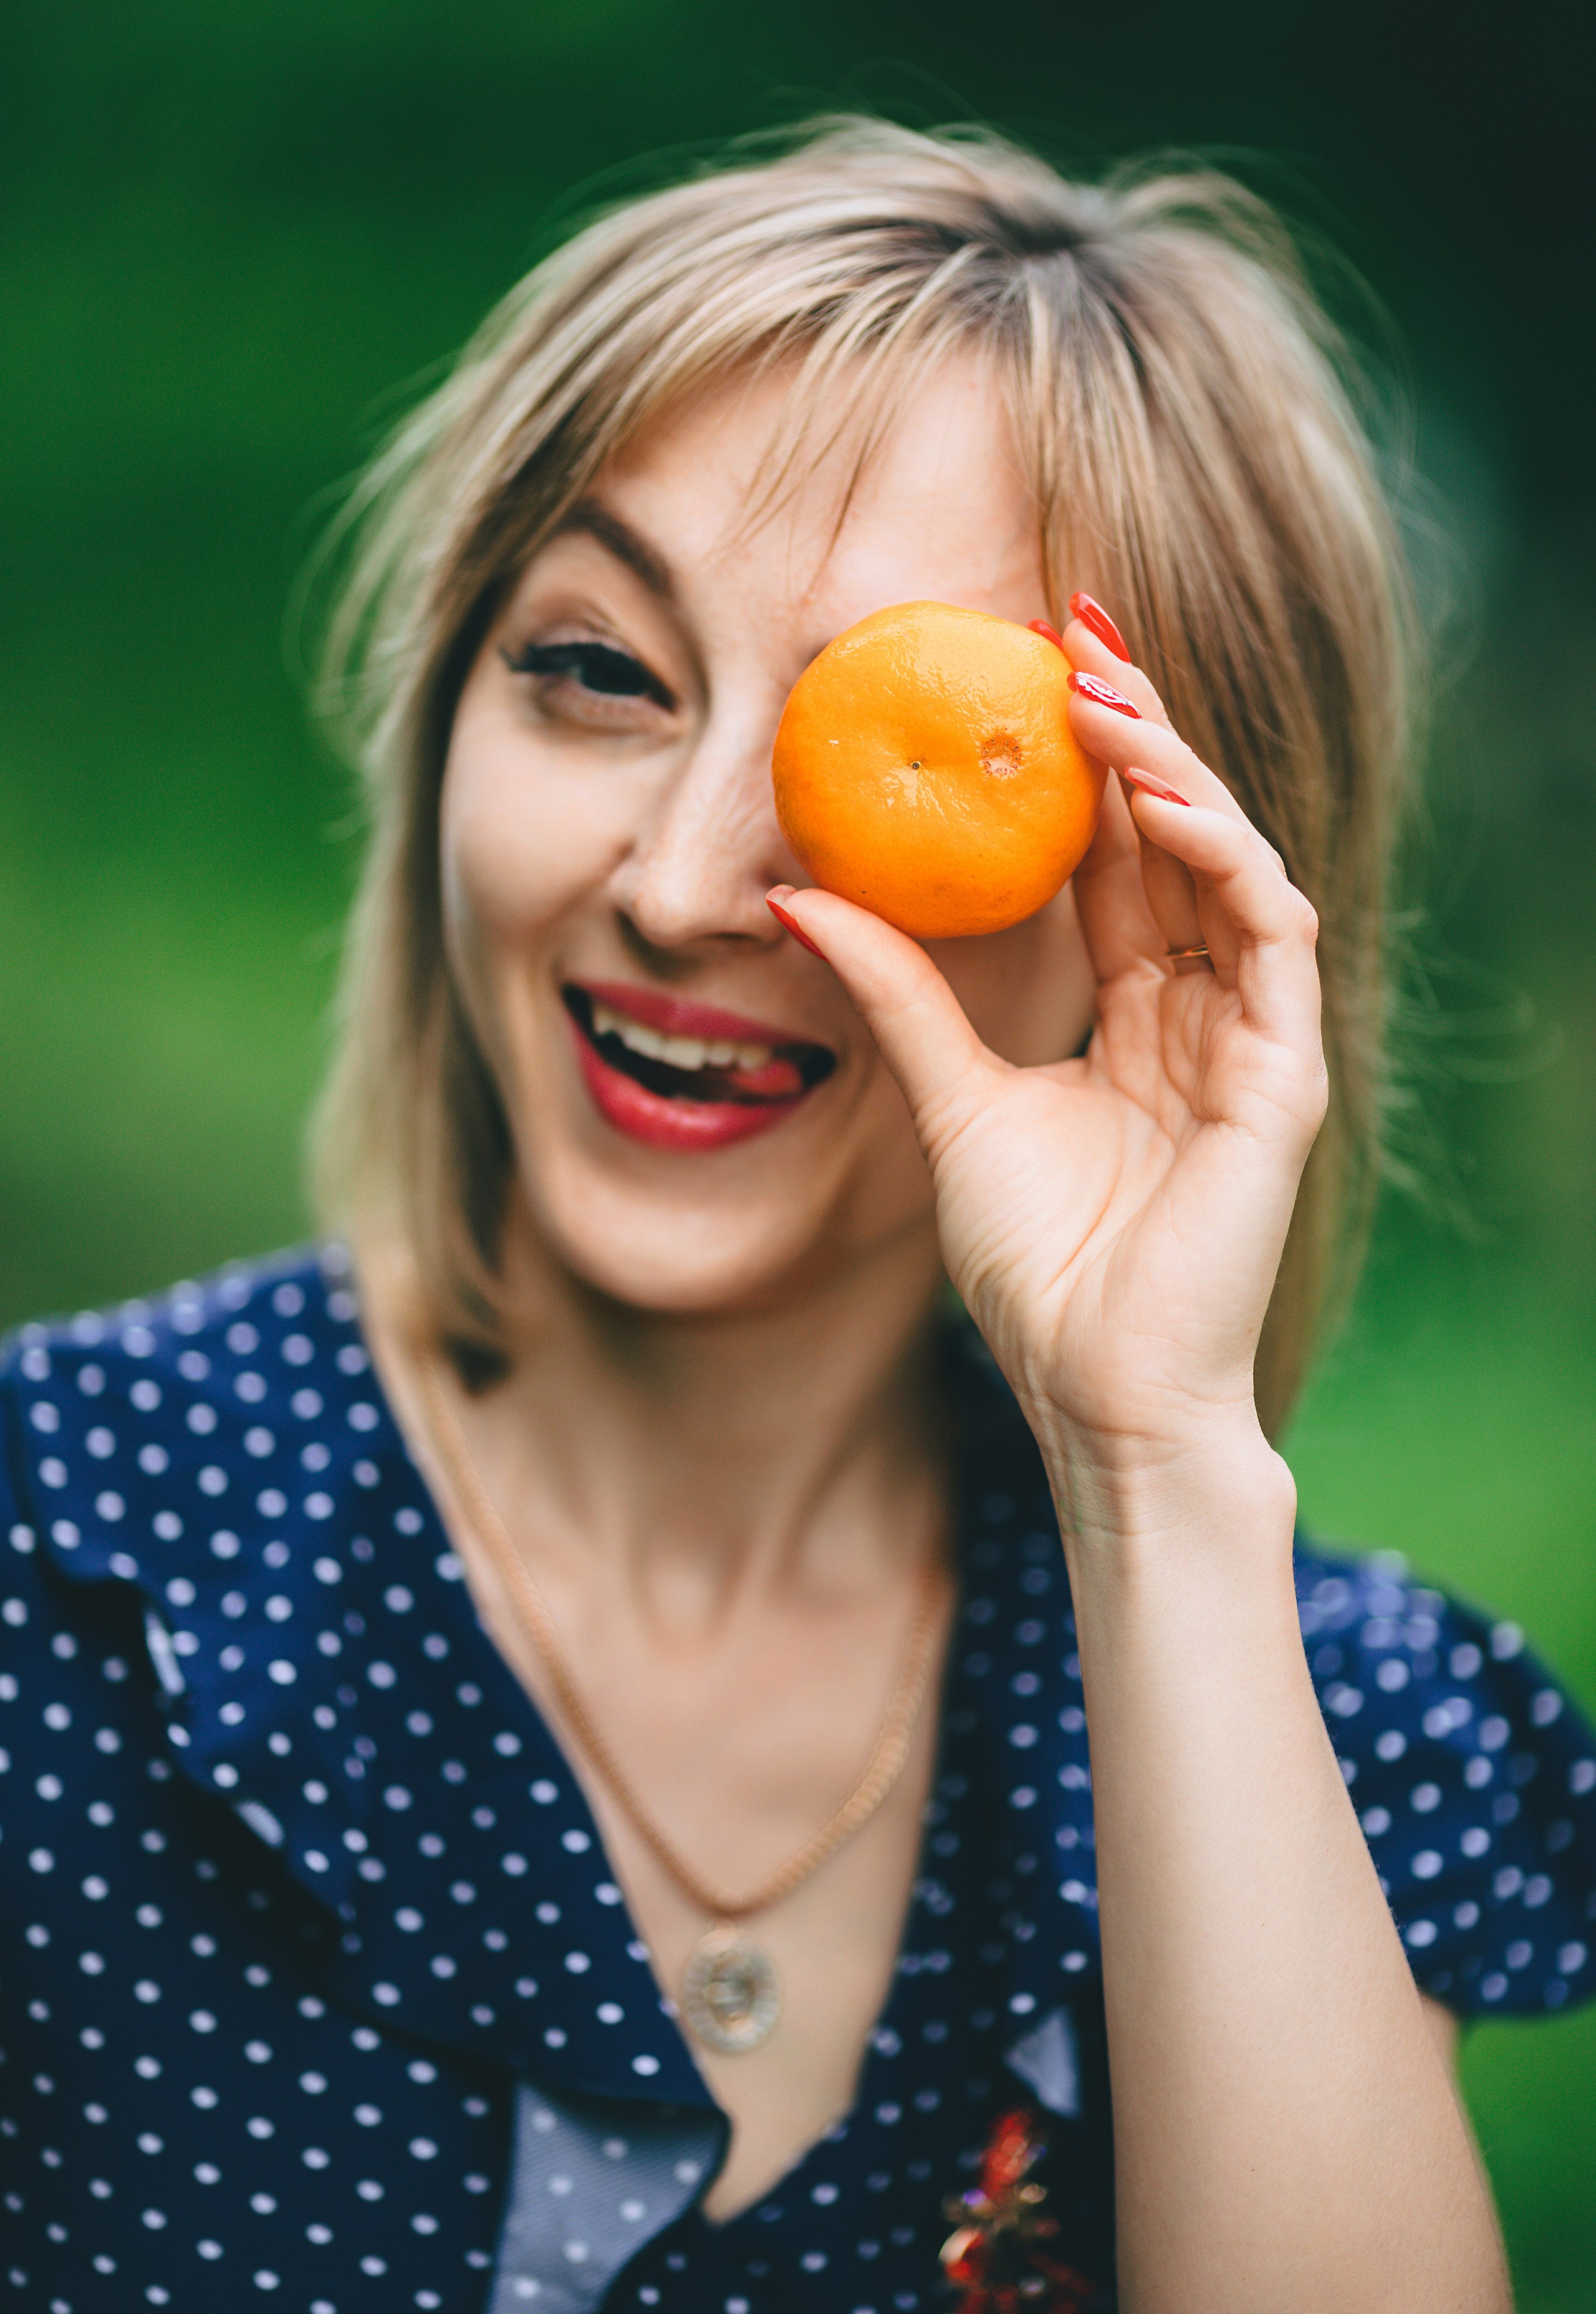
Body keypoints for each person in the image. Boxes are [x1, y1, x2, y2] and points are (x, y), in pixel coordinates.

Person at [3, 119, 1592, 2314]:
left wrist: (1152, 1463)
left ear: (1173, 875)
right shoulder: (54, 1562)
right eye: (598, 671)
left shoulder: (1323, 1719)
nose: (672, 884)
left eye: (890, 739)